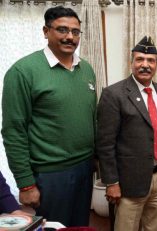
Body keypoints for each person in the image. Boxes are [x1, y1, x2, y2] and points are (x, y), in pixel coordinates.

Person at [1, 6, 96, 226]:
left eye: (75, 32)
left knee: (78, 226)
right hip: (50, 175)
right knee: (53, 227)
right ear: (46, 31)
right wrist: (25, 184)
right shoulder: (23, 71)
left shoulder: (87, 69)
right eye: (62, 30)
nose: (70, 37)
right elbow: (14, 131)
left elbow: (92, 118)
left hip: (84, 168)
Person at [96, 36, 157, 231]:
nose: (145, 65)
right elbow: (105, 144)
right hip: (129, 180)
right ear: (131, 63)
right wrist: (111, 182)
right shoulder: (114, 94)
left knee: (154, 226)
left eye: (151, 60)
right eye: (140, 59)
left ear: (156, 64)